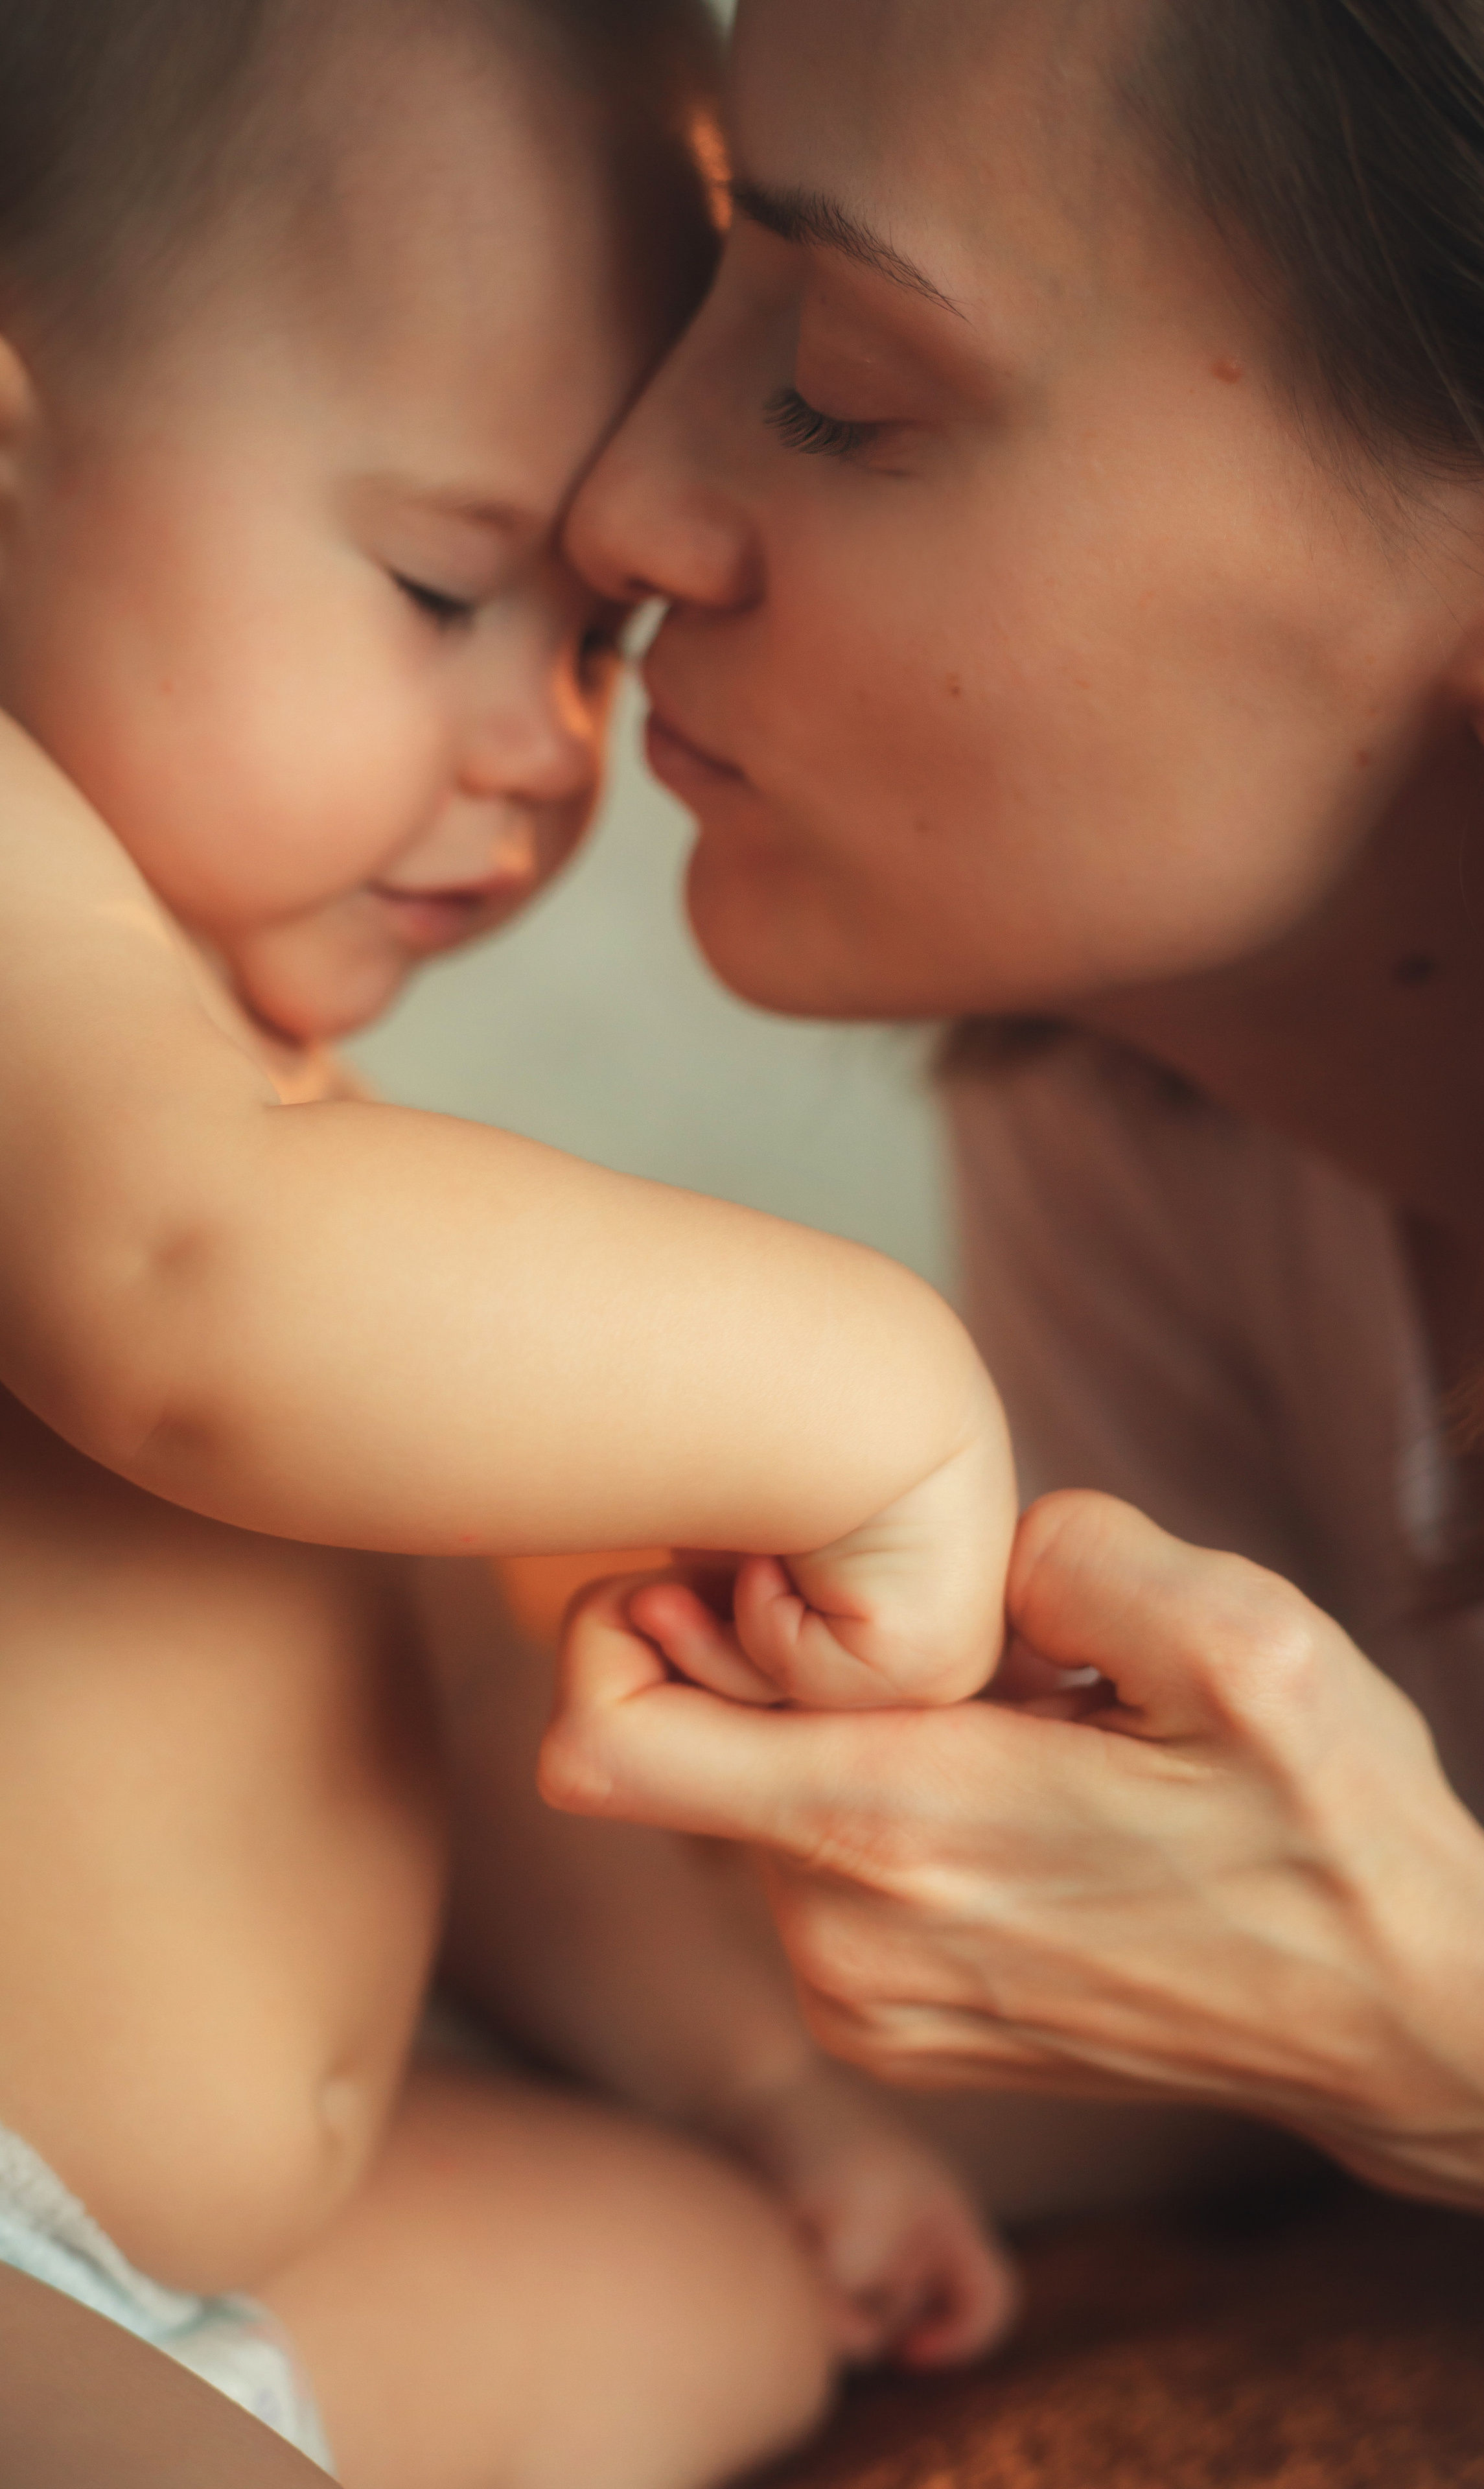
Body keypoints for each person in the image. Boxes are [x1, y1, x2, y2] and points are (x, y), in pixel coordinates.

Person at [544, 0, 1484, 2285]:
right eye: (707, 274)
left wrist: (1455, 2033)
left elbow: (1332, 2035)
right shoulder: (1162, 1094)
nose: (620, 508)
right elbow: (1142, 2071)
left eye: (842, 380)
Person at [0, 0, 1021, 2479]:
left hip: (175, 2245)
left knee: (717, 2301)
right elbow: (193, 1295)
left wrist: (764, 2093)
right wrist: (883, 1398)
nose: (549, 743)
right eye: (440, 585)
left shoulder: (255, 1074)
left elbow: (457, 1717)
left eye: (590, 641)